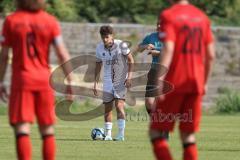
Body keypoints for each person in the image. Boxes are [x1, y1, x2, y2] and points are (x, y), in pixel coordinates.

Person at [0, 0, 72, 159]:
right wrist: (70, 80)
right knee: (47, 129)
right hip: (43, 81)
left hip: (22, 81)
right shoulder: (50, 21)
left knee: (22, 128)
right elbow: (62, 53)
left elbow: (4, 56)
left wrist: (0, 81)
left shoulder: (12, 21)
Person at [149, 0, 215, 160]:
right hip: (196, 84)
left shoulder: (169, 15)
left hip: (175, 83)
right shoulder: (202, 17)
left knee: (156, 132)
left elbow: (169, 48)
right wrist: (204, 83)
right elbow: (211, 55)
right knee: (188, 136)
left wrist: (160, 80)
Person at [93, 25, 134, 141]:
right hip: (107, 81)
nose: (105, 40)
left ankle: (121, 135)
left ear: (112, 36)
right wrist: (95, 83)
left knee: (119, 106)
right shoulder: (99, 48)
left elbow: (131, 60)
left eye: (107, 37)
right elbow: (98, 64)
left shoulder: (121, 45)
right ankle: (109, 135)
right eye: (103, 37)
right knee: (107, 108)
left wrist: (129, 77)